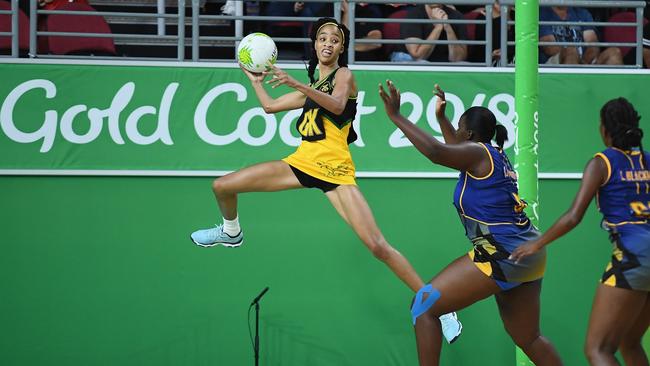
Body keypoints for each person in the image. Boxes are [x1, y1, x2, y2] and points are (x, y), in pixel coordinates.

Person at [190, 17, 462, 343]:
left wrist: (298, 85)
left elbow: (335, 103)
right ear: (315, 45)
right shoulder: (311, 86)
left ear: (341, 47)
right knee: (221, 185)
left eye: (335, 39)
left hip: (336, 172)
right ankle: (231, 232)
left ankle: (441, 307)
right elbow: (268, 107)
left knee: (378, 246)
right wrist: (254, 80)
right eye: (322, 38)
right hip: (301, 163)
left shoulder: (344, 76)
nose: (328, 43)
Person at [378, 80, 563, 365]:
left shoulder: (478, 153)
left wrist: (397, 117)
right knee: (529, 338)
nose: (458, 134)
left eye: (460, 129)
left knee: (423, 306)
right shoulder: (495, 155)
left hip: (502, 252)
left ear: (471, 134)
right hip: (528, 252)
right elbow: (454, 147)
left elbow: (438, 152)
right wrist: (442, 118)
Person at [510, 98, 649, 365]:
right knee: (630, 342)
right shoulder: (647, 160)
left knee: (598, 349)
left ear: (604, 130)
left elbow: (574, 217)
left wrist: (536, 244)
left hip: (635, 256)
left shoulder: (602, 163)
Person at [539, 6, 623, 65]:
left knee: (614, 53)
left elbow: (592, 42)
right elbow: (549, 47)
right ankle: (574, 89)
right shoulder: (542, 13)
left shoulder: (582, 13)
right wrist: (573, 55)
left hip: (584, 61)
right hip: (555, 62)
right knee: (570, 51)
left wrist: (584, 62)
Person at [391, 3, 468, 63]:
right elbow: (418, 56)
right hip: (407, 58)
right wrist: (438, 27)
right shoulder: (413, 15)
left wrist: (447, 26)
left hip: (439, 61)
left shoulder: (457, 16)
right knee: (422, 64)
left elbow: (458, 59)